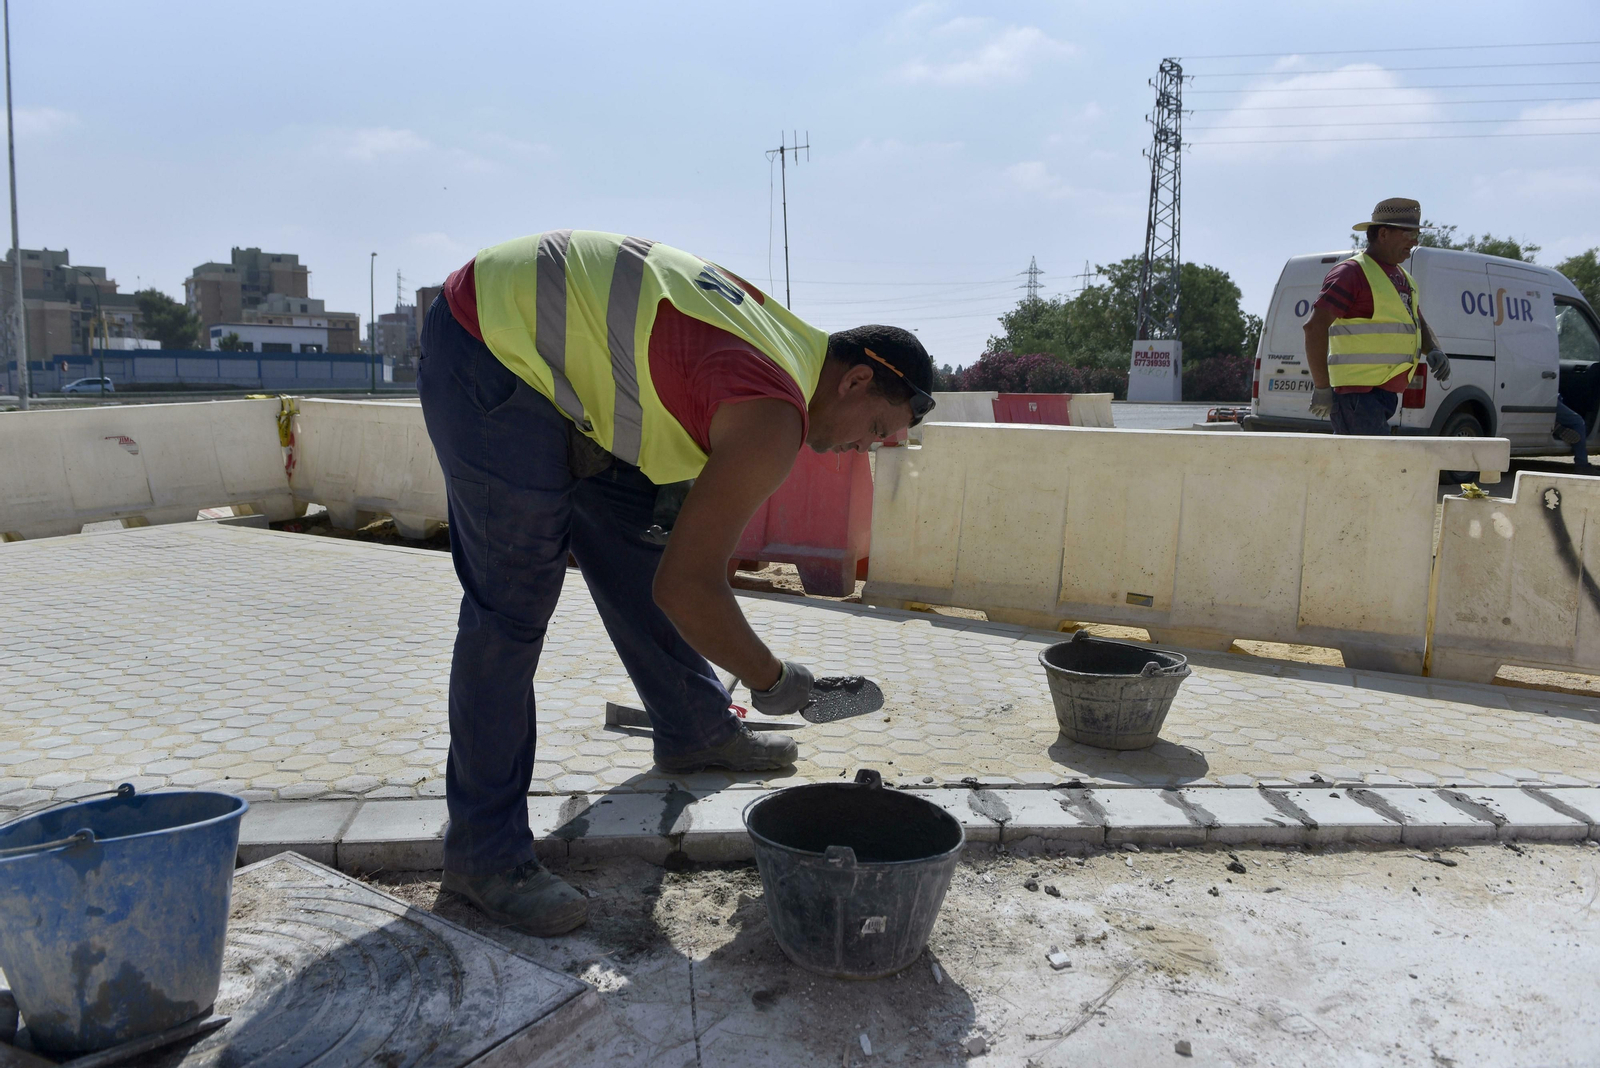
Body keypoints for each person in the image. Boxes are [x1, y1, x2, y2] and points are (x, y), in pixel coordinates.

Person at [416, 229, 936, 936]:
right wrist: (777, 680)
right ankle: (483, 855)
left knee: (632, 545)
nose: (861, 449)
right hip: (490, 340)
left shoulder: (785, 339)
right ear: (855, 380)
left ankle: (694, 730)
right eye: (874, 427)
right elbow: (689, 591)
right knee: (510, 608)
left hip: (557, 357)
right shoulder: (774, 412)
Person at [1304, 197, 1451, 435]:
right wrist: (1322, 387)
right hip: (1357, 397)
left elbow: (1417, 322)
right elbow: (1314, 328)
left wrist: (1434, 349)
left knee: (1366, 467)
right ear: (1383, 234)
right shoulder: (1351, 273)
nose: (1415, 242)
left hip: (1381, 395)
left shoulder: (1403, 277)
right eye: (1408, 233)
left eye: (1416, 234)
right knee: (1369, 468)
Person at [1554, 394, 1590, 468]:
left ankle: (1555, 426)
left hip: (1550, 397)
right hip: (1548, 398)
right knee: (1578, 423)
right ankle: (1582, 464)